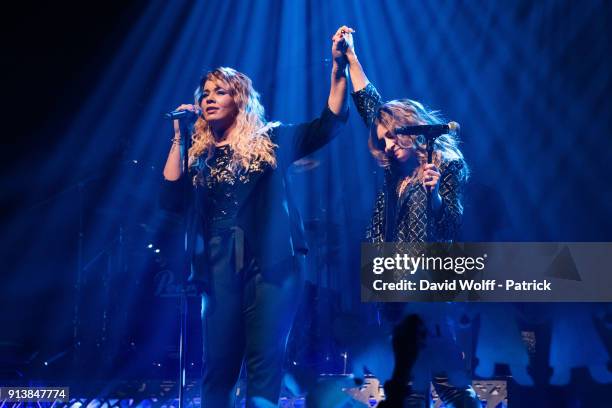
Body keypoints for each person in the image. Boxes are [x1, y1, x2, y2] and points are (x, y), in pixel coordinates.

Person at [159, 28, 350, 407]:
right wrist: (178, 136)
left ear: (240, 99)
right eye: (206, 93)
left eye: (220, 91)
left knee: (263, 363)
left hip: (272, 261)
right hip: (217, 265)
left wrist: (339, 70)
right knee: (219, 367)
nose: (210, 98)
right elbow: (169, 197)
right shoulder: (199, 156)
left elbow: (329, 123)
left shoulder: (271, 140)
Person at [337, 26, 480, 407]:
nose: (385, 145)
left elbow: (450, 224)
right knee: (407, 383)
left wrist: (433, 195)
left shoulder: (446, 165)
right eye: (380, 139)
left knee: (445, 377)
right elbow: (370, 106)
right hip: (393, 282)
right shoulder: (392, 173)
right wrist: (350, 58)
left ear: (411, 129)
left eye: (392, 136)